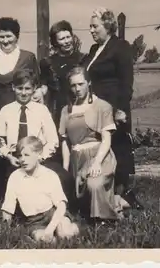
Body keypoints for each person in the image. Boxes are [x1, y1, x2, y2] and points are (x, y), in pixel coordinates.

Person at [80, 7, 139, 208]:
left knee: (118, 149)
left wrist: (120, 110)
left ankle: (122, 195)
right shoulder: (94, 50)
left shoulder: (120, 47)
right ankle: (103, 192)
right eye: (90, 26)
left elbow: (126, 82)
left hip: (114, 109)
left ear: (108, 25)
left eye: (95, 26)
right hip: (97, 109)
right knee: (102, 148)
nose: (91, 30)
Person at [0, 69, 77, 212]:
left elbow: (52, 140)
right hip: (15, 159)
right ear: (13, 88)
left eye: (27, 89)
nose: (23, 93)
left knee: (64, 178)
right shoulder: (5, 111)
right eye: (19, 88)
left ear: (34, 89)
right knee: (14, 183)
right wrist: (9, 157)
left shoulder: (42, 110)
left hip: (39, 157)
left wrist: (40, 158)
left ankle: (59, 209)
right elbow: (1, 141)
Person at [59, 66, 127, 222]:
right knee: (80, 204)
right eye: (73, 85)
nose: (77, 89)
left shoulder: (102, 106)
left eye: (81, 84)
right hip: (78, 159)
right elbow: (65, 143)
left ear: (88, 83)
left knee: (95, 184)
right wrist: (65, 170)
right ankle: (117, 203)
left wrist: (96, 163)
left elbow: (106, 139)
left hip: (99, 156)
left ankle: (105, 221)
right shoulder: (66, 110)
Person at [1, 136, 80, 243]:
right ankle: (47, 236)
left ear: (39, 155)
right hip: (34, 221)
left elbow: (61, 205)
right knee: (47, 241)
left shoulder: (49, 175)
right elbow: (8, 207)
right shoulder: (15, 177)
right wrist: (5, 230)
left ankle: (72, 227)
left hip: (53, 213)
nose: (23, 159)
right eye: (20, 156)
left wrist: (50, 228)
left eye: (27, 155)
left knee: (65, 234)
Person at [0, 17, 40, 113]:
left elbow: (36, 87)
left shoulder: (28, 57)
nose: (5, 41)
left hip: (20, 111)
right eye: (2, 37)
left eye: (9, 36)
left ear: (16, 37)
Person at [39, 20, 85, 125]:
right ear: (55, 42)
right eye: (62, 39)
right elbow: (43, 85)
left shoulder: (83, 59)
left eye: (68, 37)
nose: (67, 41)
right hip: (57, 110)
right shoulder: (47, 63)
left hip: (79, 106)